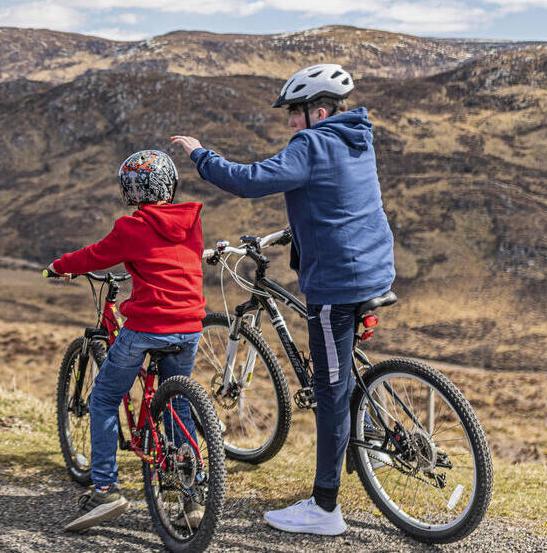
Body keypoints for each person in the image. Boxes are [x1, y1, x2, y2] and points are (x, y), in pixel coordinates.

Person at [170, 63, 394, 537]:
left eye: (294, 112)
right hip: (372, 266)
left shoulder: (310, 144)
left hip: (337, 282)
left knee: (330, 389)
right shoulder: (358, 139)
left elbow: (250, 180)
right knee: (341, 369)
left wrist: (201, 156)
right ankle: (366, 440)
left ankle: (324, 507)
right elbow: (340, 199)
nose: (290, 122)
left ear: (318, 110)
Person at [45, 150, 206, 533]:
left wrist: (60, 266)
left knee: (102, 398)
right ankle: (192, 497)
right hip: (191, 327)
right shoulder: (192, 222)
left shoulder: (131, 227)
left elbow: (96, 255)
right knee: (178, 406)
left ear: (131, 190)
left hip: (149, 325)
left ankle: (104, 490)